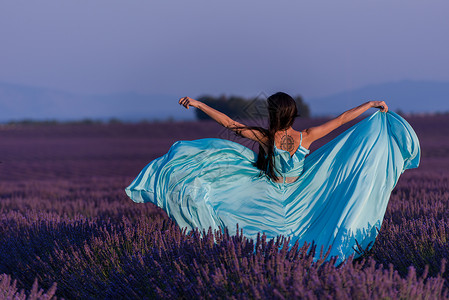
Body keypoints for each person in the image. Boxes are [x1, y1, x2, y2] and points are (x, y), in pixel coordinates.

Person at [125, 92, 420, 263]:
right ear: (293, 114)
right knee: (304, 238)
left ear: (273, 114)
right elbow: (343, 119)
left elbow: (231, 124)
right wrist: (370, 105)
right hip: (297, 195)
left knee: (259, 237)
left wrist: (199, 104)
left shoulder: (267, 138)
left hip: (271, 193)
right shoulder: (306, 136)